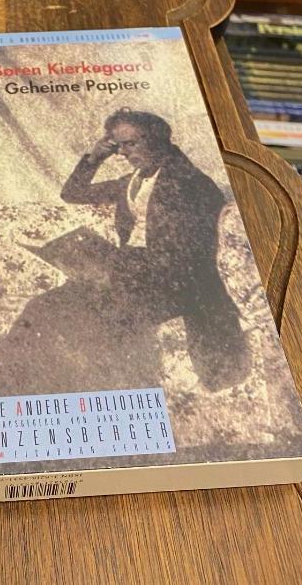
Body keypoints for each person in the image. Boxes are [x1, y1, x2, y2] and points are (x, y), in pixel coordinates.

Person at [60, 108, 251, 392]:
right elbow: (72, 193)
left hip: (175, 283)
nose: (123, 153)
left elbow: (186, 258)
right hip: (136, 271)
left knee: (95, 308)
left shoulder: (189, 183)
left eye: (130, 143)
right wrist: (95, 158)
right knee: (67, 298)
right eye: (118, 146)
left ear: (156, 140)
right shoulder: (132, 181)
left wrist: (120, 267)